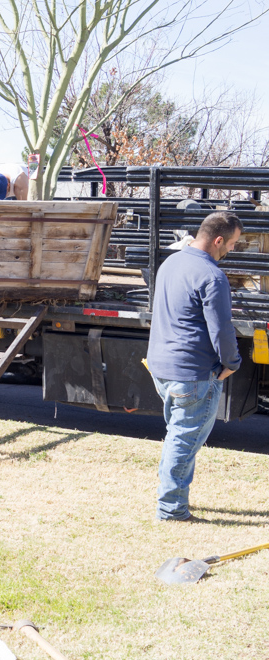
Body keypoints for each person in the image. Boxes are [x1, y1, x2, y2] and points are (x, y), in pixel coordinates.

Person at [145, 210, 243, 522]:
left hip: (162, 367)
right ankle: (171, 509)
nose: (232, 250)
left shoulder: (171, 262)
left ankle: (171, 496)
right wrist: (232, 363)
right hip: (194, 373)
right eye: (232, 244)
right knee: (184, 440)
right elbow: (222, 329)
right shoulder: (212, 276)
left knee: (177, 435)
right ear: (218, 241)